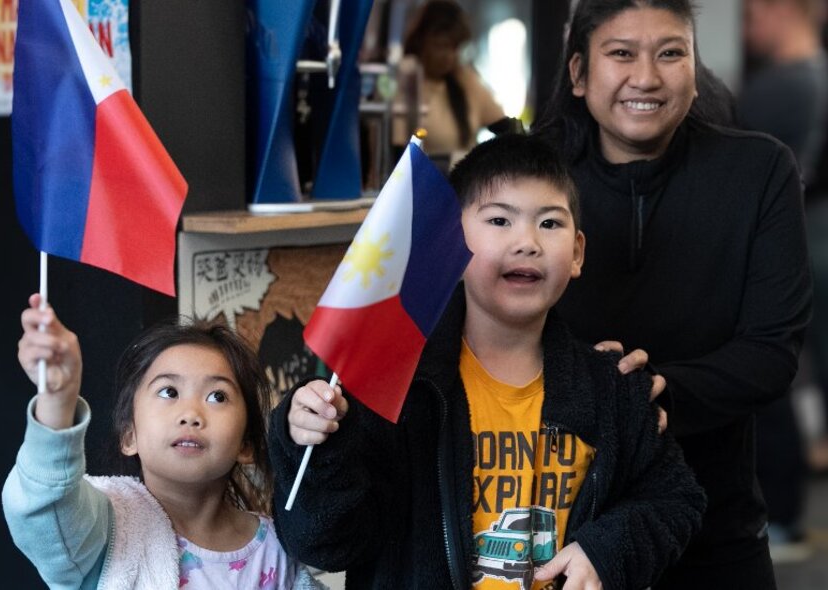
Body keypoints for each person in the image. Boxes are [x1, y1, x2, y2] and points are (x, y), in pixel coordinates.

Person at [268, 133, 706, 589]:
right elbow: (320, 544)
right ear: (451, 243)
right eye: (500, 220)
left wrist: (605, 551)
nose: (527, 242)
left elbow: (677, 500)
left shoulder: (610, 387)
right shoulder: (395, 389)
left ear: (577, 252)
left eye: (550, 224)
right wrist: (314, 445)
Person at [535, 0, 813, 587]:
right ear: (579, 74)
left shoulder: (759, 170)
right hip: (559, 526)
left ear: (693, 66)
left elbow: (770, 351)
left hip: (717, 523)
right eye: (621, 54)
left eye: (670, 53)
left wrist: (655, 390)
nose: (646, 77)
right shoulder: (533, 175)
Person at [3, 294, 322, 589]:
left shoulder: (279, 551)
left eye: (217, 396)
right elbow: (47, 509)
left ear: (246, 443)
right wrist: (58, 400)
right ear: (130, 436)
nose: (191, 413)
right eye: (169, 391)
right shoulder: (105, 528)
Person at [738, 0, 828, 561]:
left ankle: (783, 519)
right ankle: (787, 519)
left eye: (751, 15)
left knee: (772, 372)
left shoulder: (779, 88)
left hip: (794, 248)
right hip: (812, 243)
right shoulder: (815, 80)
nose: (748, 29)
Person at [395, 0, 507, 161]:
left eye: (455, 48)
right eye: (441, 45)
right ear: (421, 41)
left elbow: (504, 126)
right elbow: (397, 148)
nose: (449, 56)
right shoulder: (406, 78)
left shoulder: (464, 79)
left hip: (462, 180)